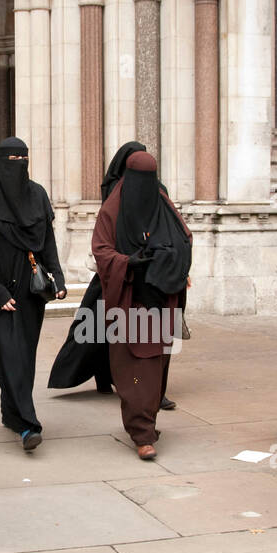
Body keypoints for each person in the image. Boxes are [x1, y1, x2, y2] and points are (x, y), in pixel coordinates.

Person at [48, 140, 176, 411]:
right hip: (115, 273)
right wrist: (120, 262)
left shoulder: (155, 189)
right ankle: (105, 376)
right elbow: (105, 235)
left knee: (147, 335)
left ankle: (150, 391)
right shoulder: (116, 191)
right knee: (96, 329)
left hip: (149, 274)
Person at [0, 138, 65, 450]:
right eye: (11, 158)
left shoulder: (37, 194)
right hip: (0, 291)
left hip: (31, 289)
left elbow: (47, 241)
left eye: (23, 157)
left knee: (24, 356)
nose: (17, 163)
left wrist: (57, 277)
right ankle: (28, 425)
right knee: (8, 355)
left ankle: (11, 412)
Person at [90, 150, 191, 459]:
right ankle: (141, 433)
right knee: (134, 369)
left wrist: (169, 259)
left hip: (160, 297)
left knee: (156, 365)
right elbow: (101, 249)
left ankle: (147, 421)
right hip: (129, 300)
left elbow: (184, 238)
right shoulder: (112, 209)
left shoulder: (162, 203)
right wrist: (129, 261)